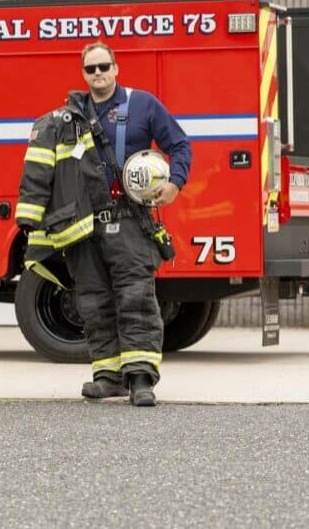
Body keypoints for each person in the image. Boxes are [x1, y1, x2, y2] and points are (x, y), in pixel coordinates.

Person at [16, 42, 191, 407]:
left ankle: (141, 378)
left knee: (135, 298)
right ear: (83, 74)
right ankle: (107, 376)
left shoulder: (143, 104)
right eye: (91, 69)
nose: (98, 74)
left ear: (117, 68)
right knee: (93, 302)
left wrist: (174, 183)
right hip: (83, 228)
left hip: (129, 223)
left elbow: (180, 145)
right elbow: (41, 170)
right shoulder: (67, 118)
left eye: (104, 66)